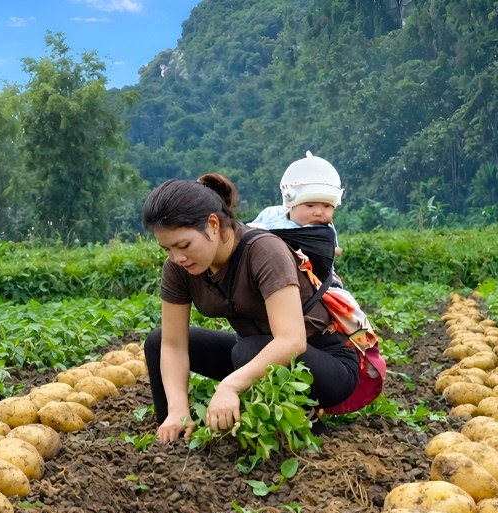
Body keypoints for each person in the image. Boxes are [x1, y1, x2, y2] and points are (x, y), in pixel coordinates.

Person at [142, 173, 360, 444]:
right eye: (167, 249)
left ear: (212, 224)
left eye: (184, 245)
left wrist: (230, 385)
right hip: (253, 354)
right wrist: (177, 408)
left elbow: (292, 341)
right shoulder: (179, 268)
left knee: (247, 350)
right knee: (159, 339)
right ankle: (175, 433)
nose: (177, 257)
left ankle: (309, 431)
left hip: (326, 365)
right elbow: (173, 345)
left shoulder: (263, 251)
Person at [249, 151, 345, 259]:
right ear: (290, 202)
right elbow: (249, 233)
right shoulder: (272, 214)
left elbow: (333, 250)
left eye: (327, 206)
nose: (319, 212)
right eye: (310, 205)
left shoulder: (324, 232)